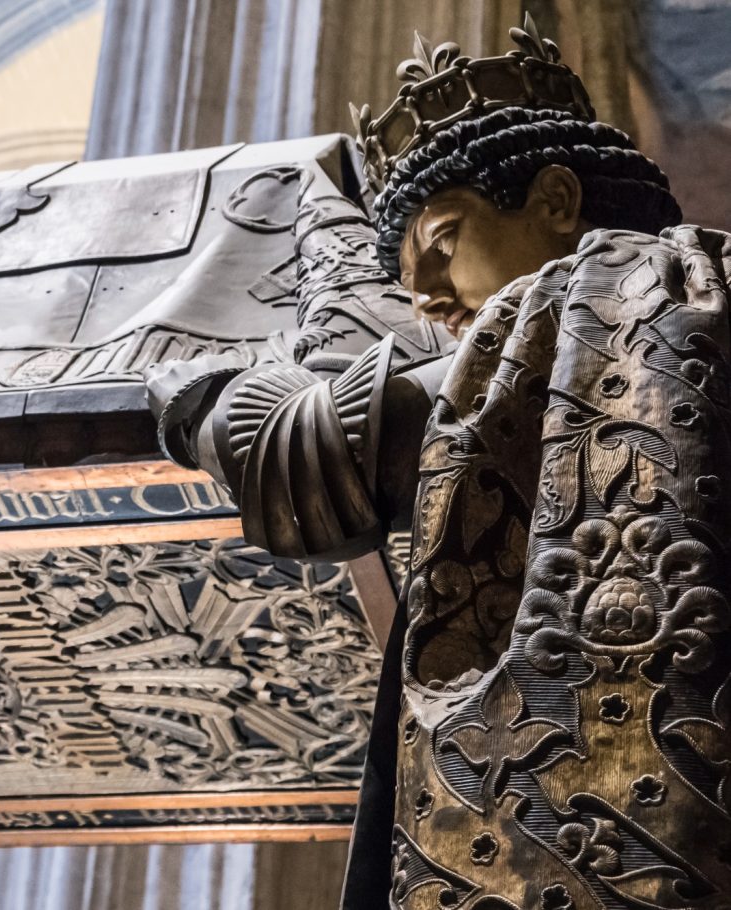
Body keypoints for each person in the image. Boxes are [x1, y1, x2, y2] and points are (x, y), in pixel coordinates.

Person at [146, 15, 730, 909]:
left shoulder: (593, 299)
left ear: (556, 200)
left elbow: (301, 453)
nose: (422, 297)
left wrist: (195, 393)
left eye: (444, 243)